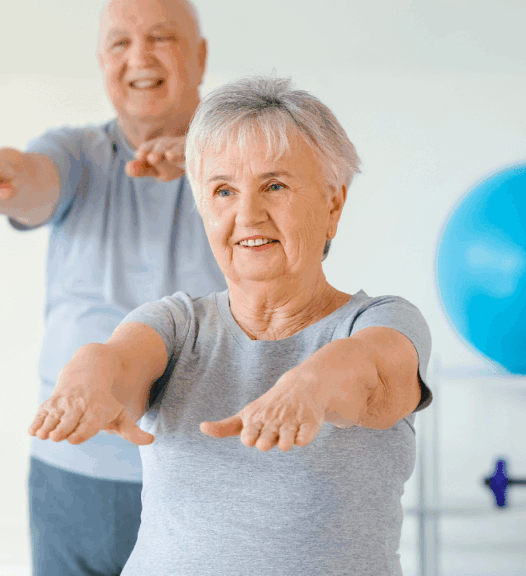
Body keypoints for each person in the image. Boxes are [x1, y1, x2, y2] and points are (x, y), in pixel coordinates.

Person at [28, 75, 434, 576]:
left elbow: (366, 370)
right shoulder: (178, 324)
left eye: (275, 186)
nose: (248, 214)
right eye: (223, 190)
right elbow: (118, 360)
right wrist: (85, 381)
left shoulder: (381, 321)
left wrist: (307, 388)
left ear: (333, 203)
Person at [0, 0, 224, 573]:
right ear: (101, 62)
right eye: (120, 43)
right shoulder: (78, 151)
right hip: (74, 465)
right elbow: (35, 178)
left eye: (161, 38)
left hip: (203, 466)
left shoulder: (245, 156)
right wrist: (5, 178)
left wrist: (211, 168)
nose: (139, 56)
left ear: (201, 55)